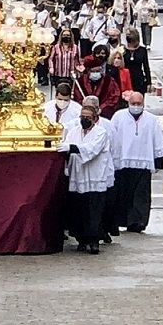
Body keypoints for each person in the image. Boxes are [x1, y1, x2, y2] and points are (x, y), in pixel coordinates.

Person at [59, 99, 113, 254]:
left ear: (95, 119)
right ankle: (81, 239)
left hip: (94, 176)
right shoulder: (74, 132)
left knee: (93, 211)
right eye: (82, 117)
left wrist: (72, 148)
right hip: (78, 175)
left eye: (88, 117)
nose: (84, 119)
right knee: (78, 210)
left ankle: (94, 240)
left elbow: (92, 149)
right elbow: (66, 147)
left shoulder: (101, 133)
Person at [109, 92, 163, 232]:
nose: (136, 106)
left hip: (144, 162)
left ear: (143, 104)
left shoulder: (151, 120)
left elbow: (157, 139)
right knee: (123, 193)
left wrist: (158, 159)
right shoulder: (118, 117)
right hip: (123, 162)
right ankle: (122, 220)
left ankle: (138, 221)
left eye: (138, 104)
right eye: (133, 103)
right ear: (128, 103)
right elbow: (112, 137)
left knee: (141, 194)